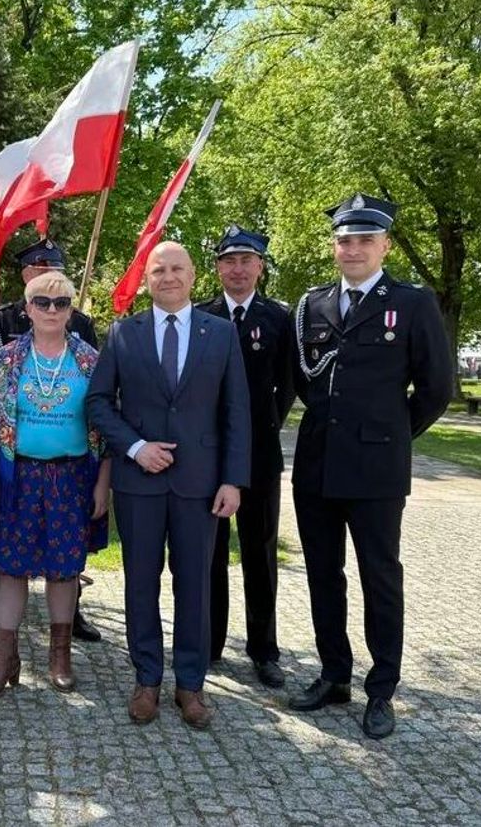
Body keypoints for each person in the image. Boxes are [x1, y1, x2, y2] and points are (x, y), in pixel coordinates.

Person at [288, 192, 452, 739]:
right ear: (334, 247)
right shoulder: (312, 305)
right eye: (344, 240)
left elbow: (436, 388)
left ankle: (381, 689)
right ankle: (334, 673)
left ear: (383, 245)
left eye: (364, 239)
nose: (353, 248)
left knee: (379, 577)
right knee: (322, 574)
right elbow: (303, 379)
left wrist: (391, 434)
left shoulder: (411, 303)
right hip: (317, 464)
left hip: (376, 469)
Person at [86, 241, 250, 729]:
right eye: (159, 269)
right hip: (139, 482)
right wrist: (135, 448)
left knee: (196, 586)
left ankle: (191, 685)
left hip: (201, 486)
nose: (169, 276)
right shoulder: (123, 333)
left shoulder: (220, 334)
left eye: (177, 268)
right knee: (140, 583)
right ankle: (147, 680)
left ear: (194, 275)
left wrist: (233, 480)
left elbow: (236, 412)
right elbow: (98, 403)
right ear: (147, 278)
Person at [0, 270, 111, 698]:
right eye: (42, 302)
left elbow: (107, 430)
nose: (52, 310)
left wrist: (102, 486)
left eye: (62, 303)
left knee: (63, 569)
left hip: (71, 477)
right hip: (18, 476)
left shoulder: (90, 359)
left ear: (71, 309)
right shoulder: (8, 358)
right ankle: (4, 658)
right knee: (11, 568)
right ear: (27, 308)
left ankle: (60, 656)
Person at [195, 225, 296, 687]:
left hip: (258, 457)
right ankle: (210, 643)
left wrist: (260, 429)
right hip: (209, 456)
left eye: (246, 261)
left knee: (259, 552)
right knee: (210, 553)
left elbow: (288, 385)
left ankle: (264, 650)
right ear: (217, 267)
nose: (237, 269)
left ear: (260, 267)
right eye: (229, 261)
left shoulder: (280, 318)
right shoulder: (199, 316)